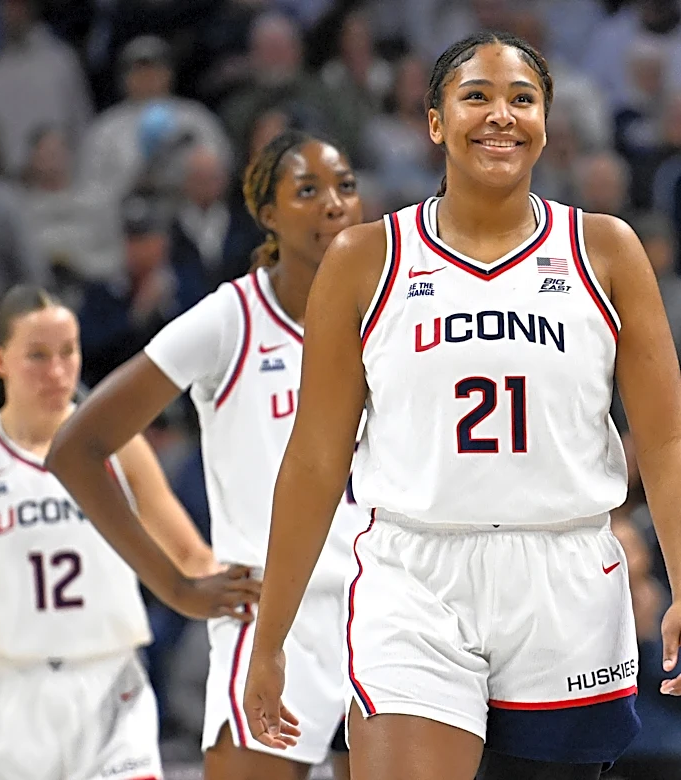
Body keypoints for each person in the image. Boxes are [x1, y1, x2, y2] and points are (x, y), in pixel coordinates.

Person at [242, 31, 681, 780]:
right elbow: (316, 460)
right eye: (476, 96)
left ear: (547, 119)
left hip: (564, 570)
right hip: (413, 570)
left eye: (522, 98)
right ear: (436, 121)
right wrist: (271, 636)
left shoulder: (605, 249)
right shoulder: (365, 259)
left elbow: (666, 441)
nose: (501, 115)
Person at [46, 130, 366, 780]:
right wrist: (174, 587)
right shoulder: (232, 319)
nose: (333, 204)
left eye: (345, 186)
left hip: (387, 610)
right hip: (275, 616)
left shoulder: (393, 310)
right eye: (307, 190)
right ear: (268, 214)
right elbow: (78, 448)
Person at [0, 285, 260, 780]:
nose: (57, 372)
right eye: (37, 357)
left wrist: (261, 608)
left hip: (111, 688)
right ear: (0, 361)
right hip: (5, 699)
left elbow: (189, 554)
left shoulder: (118, 447)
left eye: (68, 353)